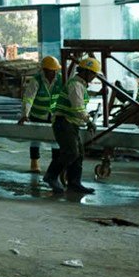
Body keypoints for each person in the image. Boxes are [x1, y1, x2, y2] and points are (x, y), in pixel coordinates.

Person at [44, 56, 102, 195]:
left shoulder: (80, 85)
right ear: (86, 72)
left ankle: (74, 183)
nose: (94, 77)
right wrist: (89, 121)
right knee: (71, 152)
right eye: (93, 74)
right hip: (63, 122)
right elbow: (77, 107)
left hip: (70, 123)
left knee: (79, 154)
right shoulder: (75, 85)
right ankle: (51, 176)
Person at [18, 55, 64, 187]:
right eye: (50, 70)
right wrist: (25, 114)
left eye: (55, 70)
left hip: (53, 115)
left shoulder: (60, 80)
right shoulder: (36, 80)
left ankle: (55, 166)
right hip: (37, 115)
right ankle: (34, 162)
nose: (53, 73)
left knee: (55, 141)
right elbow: (29, 97)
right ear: (44, 70)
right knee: (35, 139)